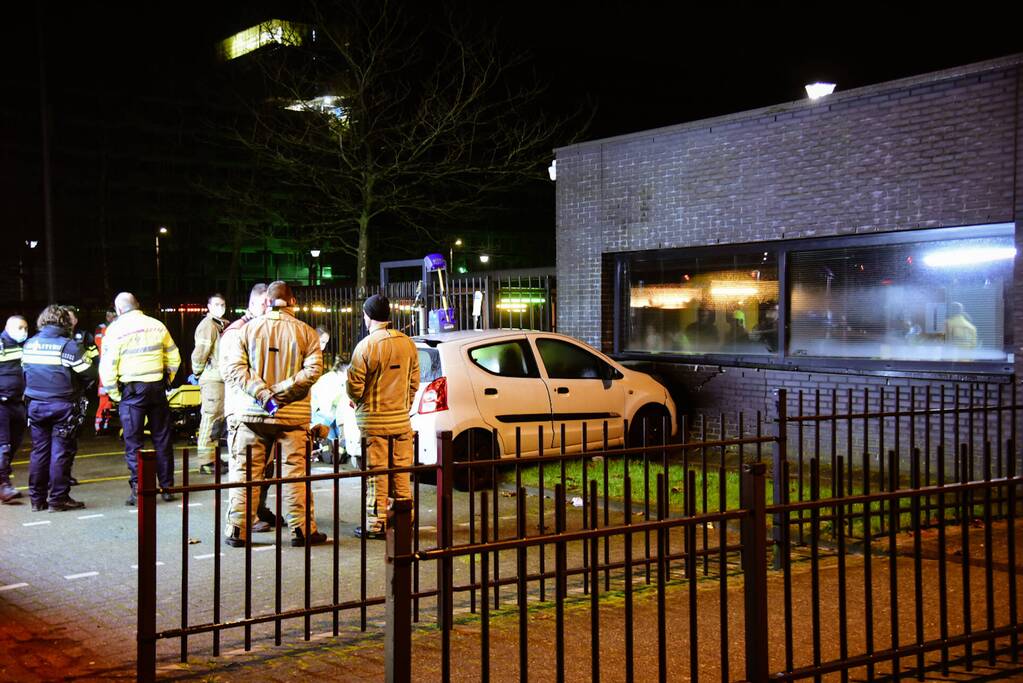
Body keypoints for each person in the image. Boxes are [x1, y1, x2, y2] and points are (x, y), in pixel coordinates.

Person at [222, 281, 325, 547]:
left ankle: (237, 530)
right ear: (293, 302)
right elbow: (313, 371)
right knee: (295, 475)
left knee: (245, 475)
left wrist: (264, 393)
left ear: (267, 302)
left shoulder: (246, 331)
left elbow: (235, 370)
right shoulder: (307, 333)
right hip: (292, 416)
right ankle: (301, 531)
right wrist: (282, 391)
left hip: (252, 416)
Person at [346, 294, 420, 539]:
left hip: (374, 422)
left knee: (376, 475)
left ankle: (375, 524)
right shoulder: (408, 343)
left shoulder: (366, 346)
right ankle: (403, 520)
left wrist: (358, 401)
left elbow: (354, 385)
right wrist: (403, 405)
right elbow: (414, 382)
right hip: (400, 420)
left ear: (367, 316)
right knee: (401, 472)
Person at [99, 292, 181, 505]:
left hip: (132, 392)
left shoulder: (115, 330)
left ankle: (140, 489)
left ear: (118, 310)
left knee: (133, 442)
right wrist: (167, 380)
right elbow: (174, 356)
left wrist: (115, 394)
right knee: (162, 439)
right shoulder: (157, 325)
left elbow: (107, 366)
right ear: (138, 305)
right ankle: (167, 487)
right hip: (156, 388)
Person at [21, 305, 95, 511]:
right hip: (62, 406)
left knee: (39, 452)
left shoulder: (29, 344)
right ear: (65, 322)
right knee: (60, 452)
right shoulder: (68, 346)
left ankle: (37, 500)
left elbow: (25, 373)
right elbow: (89, 373)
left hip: (35, 405)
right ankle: (58, 499)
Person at [220, 283, 278, 533]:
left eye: (271, 302)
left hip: (264, 409)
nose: (269, 306)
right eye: (265, 302)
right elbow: (230, 372)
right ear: (253, 303)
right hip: (243, 409)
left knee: (266, 466)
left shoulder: (264, 328)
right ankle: (243, 519)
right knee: (244, 468)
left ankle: (258, 508)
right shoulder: (237, 331)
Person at [191, 293, 229, 475]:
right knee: (210, 418)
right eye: (216, 304)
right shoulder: (208, 326)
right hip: (213, 379)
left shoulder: (221, 324)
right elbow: (200, 353)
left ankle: (213, 457)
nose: (220, 307)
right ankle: (206, 462)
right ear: (208, 306)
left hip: (220, 379)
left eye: (222, 304)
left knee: (217, 422)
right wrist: (198, 372)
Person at [0, 316, 29, 503]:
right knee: (3, 445)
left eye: (26, 328)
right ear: (8, 327)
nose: (23, 332)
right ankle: (4, 485)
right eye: (20, 327)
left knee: (15, 442)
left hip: (19, 402)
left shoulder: (25, 346)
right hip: (1, 402)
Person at [94, 307, 117, 434]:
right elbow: (100, 345)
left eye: (113, 315)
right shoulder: (101, 328)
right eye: (109, 315)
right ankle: (100, 423)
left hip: (116, 366)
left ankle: (106, 423)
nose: (110, 318)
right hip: (106, 367)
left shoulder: (120, 327)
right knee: (104, 397)